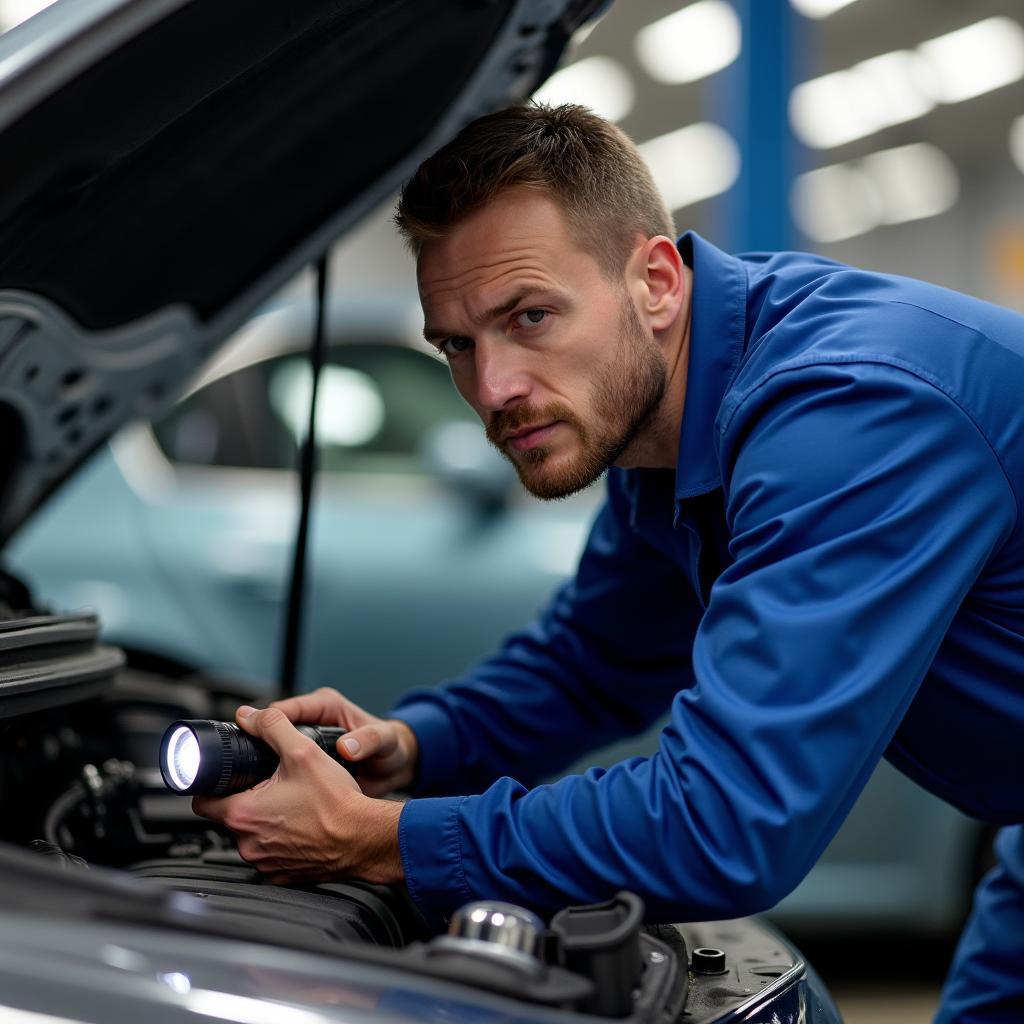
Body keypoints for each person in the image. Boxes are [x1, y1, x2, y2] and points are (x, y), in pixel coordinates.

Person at [194, 104, 1024, 1022]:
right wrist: (410, 750)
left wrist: (383, 841)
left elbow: (728, 823)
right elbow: (593, 664)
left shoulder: (852, 418)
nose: (494, 388)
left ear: (656, 282)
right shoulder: (663, 425)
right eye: (459, 345)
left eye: (532, 316)